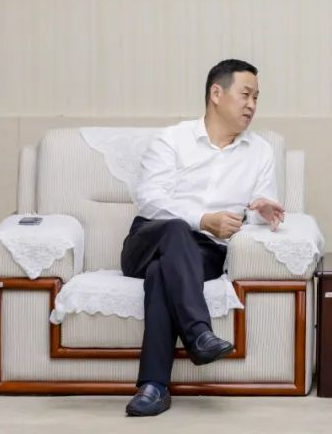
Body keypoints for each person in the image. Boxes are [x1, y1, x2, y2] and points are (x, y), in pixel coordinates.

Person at [121, 58, 285, 417]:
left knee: (162, 273)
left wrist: (260, 212)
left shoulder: (260, 151)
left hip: (205, 253)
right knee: (176, 230)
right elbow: (149, 200)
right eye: (245, 95)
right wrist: (203, 219)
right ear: (216, 93)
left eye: (257, 98)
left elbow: (261, 205)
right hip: (149, 239)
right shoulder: (172, 139)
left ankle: (154, 388)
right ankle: (198, 333)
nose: (252, 105)